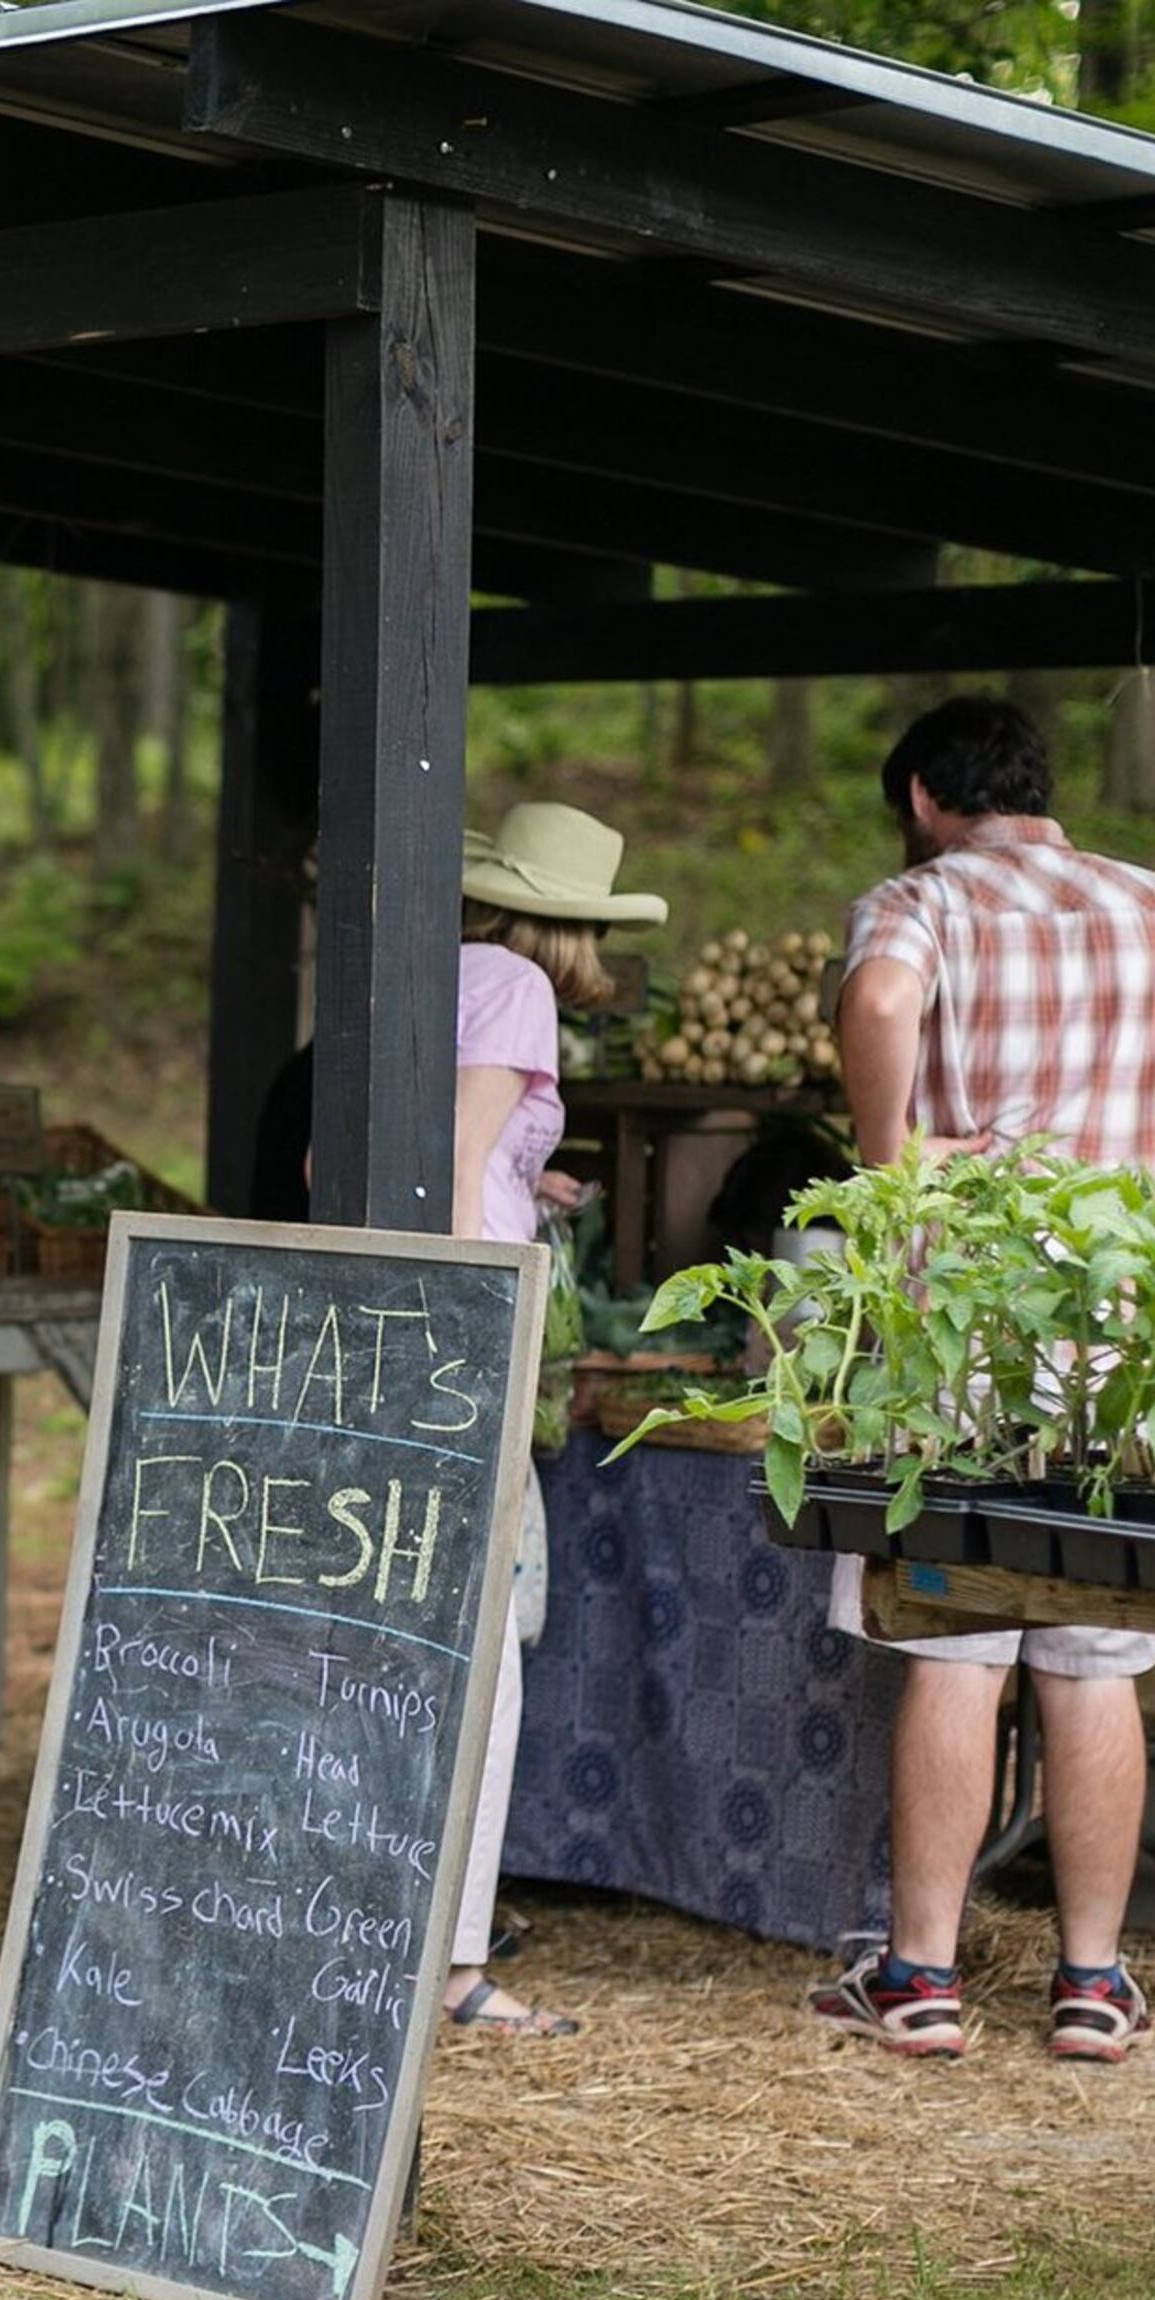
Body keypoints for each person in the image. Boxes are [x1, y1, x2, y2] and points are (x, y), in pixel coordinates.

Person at [817, 696, 1155, 2064]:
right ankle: (1091, 1982)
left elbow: (879, 999)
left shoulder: (921, 900)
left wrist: (889, 1154)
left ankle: (921, 1979)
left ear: (927, 795)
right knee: (1094, 1649)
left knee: (959, 1641)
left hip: (961, 1321)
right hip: (1118, 1331)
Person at [442, 802, 660, 2039]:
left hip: (404, 1323)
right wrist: (478, 1309)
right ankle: (457, 1965)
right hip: (470, 1335)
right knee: (490, 1656)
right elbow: (456, 1159)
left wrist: (530, 1180)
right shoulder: (518, 986)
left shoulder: (422, 977)